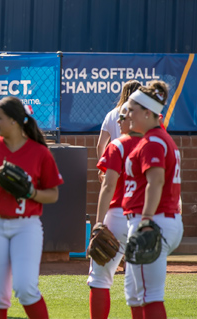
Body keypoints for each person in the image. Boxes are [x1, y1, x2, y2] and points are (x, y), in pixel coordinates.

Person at [0, 97, 64, 319]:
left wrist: (31, 194)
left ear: (15, 121)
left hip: (26, 226)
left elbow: (53, 194)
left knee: (26, 288)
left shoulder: (39, 152)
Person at [123, 81, 183, 319]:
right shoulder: (157, 138)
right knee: (138, 295)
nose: (128, 114)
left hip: (153, 220)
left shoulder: (154, 141)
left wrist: (146, 219)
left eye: (132, 109)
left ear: (148, 112)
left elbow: (156, 181)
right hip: (160, 218)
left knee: (150, 296)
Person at [87, 103, 143, 319]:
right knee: (139, 284)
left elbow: (108, 186)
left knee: (100, 279)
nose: (118, 121)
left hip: (118, 215)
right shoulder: (159, 144)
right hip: (146, 219)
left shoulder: (118, 145)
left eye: (123, 117)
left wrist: (99, 223)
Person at [96, 80, 141, 181]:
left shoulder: (111, 115)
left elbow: (100, 145)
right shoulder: (141, 114)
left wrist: (102, 167)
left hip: (115, 165)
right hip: (135, 164)